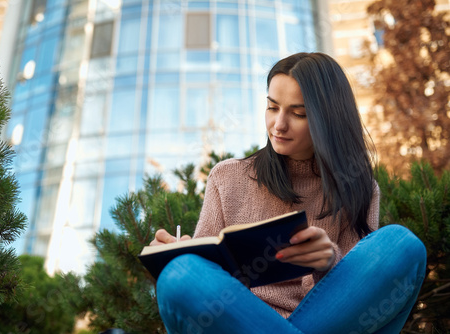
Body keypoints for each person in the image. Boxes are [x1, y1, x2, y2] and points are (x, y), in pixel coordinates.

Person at [151, 52, 426, 333]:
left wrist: (328, 262)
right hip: (235, 320)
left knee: (401, 245)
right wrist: (177, 255)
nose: (278, 125)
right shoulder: (227, 177)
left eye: (298, 114)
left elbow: (356, 296)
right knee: (180, 275)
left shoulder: (358, 189)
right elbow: (206, 283)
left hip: (325, 322)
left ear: (328, 119)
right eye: (272, 107)